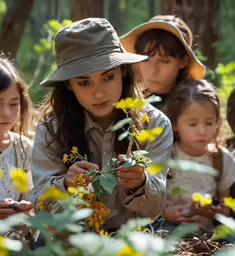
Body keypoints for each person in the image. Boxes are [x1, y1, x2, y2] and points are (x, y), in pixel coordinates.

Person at [31, 18, 173, 232]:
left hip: (135, 241)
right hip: (70, 241)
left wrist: (140, 183)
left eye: (108, 77)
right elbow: (40, 206)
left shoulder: (154, 125)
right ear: (68, 85)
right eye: (84, 82)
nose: (98, 93)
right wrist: (67, 185)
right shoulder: (50, 130)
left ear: (123, 72)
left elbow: (154, 210)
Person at [162, 80, 235, 231]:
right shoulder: (166, 157)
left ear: (217, 122)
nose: (202, 131)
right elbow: (149, 204)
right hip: (170, 232)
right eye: (193, 124)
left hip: (210, 238)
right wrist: (167, 214)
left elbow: (226, 205)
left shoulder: (222, 159)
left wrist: (218, 210)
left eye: (208, 123)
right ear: (175, 124)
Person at [0, 56, 33, 220]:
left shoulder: (25, 148)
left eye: (14, 104)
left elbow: (35, 206)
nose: (7, 113)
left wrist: (24, 212)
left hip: (17, 242)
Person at [121, 15, 206, 109]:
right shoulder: (123, 99)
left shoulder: (194, 104)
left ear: (183, 62)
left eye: (164, 61)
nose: (153, 70)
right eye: (145, 59)